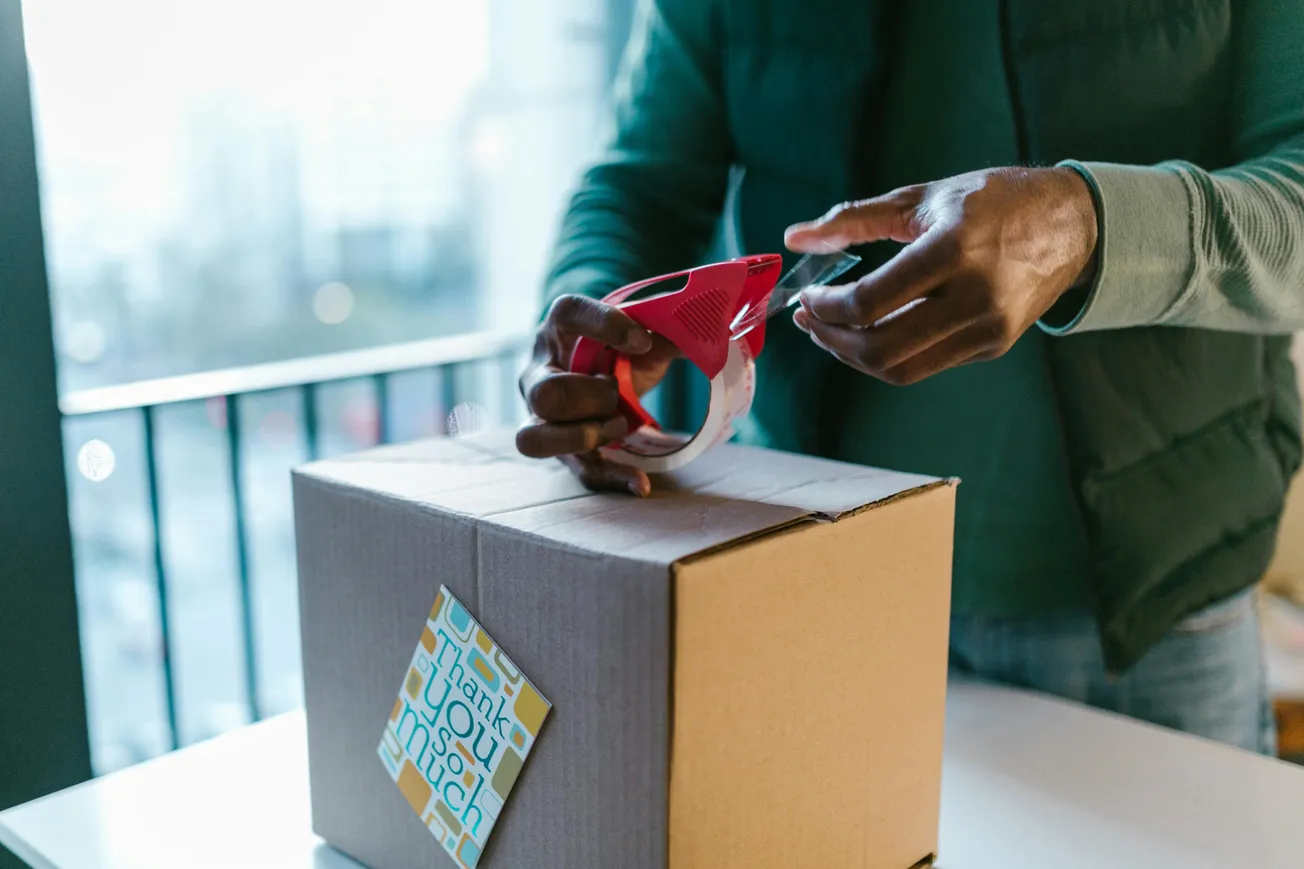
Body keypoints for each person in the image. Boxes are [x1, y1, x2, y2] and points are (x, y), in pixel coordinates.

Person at [516, 0, 1304, 754]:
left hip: (1155, 629)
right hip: (812, 593)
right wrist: (594, 309)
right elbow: (639, 183)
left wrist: (1091, 225)